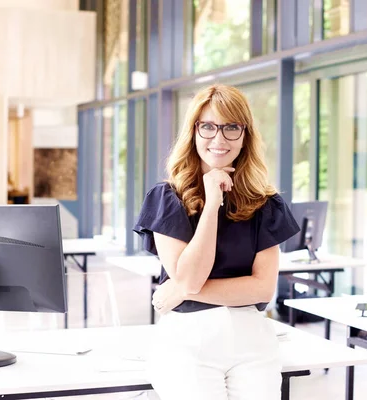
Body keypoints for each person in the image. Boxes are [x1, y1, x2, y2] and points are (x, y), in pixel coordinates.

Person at [133, 84, 300, 400]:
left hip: (252, 341)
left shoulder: (266, 204)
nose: (219, 138)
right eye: (208, 126)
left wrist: (179, 290)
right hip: (188, 342)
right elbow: (191, 277)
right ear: (193, 131)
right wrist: (212, 204)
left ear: (245, 134)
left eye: (231, 127)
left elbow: (263, 289)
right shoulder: (167, 199)